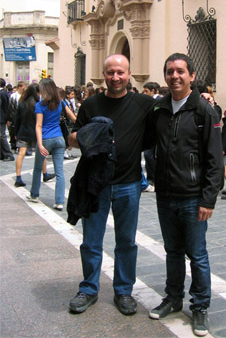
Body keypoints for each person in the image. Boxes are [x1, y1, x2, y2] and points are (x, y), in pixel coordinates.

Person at [68, 54, 154, 316]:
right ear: (103, 74)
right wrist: (89, 138)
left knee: (126, 242)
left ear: (129, 74)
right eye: (110, 72)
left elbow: (153, 138)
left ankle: (124, 291)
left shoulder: (144, 104)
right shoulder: (91, 104)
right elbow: (72, 137)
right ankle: (89, 289)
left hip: (128, 184)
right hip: (96, 185)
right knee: (91, 241)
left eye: (120, 72)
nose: (115, 77)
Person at [149, 53, 224, 338]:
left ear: (191, 75)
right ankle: (173, 298)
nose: (175, 76)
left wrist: (208, 199)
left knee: (198, 255)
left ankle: (201, 307)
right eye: (170, 71)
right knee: (172, 253)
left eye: (180, 71)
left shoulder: (205, 111)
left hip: (193, 197)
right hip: (165, 195)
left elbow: (215, 159)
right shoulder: (158, 109)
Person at [26, 78, 66, 210]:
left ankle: (34, 194)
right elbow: (73, 117)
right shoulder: (60, 103)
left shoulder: (40, 105)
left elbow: (38, 126)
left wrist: (40, 144)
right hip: (59, 138)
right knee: (59, 171)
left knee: (37, 168)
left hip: (45, 139)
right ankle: (59, 201)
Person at [7, 81, 26, 152]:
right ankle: (13, 145)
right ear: (19, 87)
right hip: (15, 116)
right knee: (13, 131)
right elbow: (11, 107)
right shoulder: (14, 96)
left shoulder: (24, 96)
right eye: (23, 87)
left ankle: (19, 145)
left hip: (22, 116)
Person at [0, 78, 15, 162]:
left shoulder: (2, 93)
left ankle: (8, 154)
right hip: (3, 117)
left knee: (2, 136)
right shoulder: (4, 93)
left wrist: (7, 118)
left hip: (2, 118)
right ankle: (3, 154)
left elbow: (5, 107)